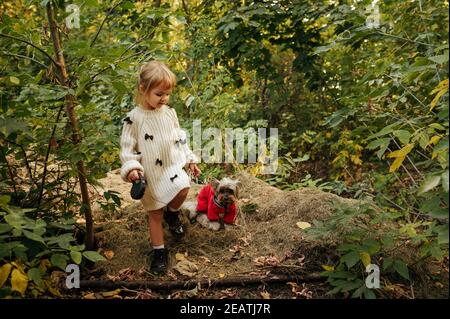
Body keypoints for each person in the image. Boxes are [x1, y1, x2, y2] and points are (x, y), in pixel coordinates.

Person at [119, 60, 201, 274]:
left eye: (167, 94)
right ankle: (159, 251)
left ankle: (172, 213)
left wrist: (190, 159)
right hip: (151, 173)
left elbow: (180, 137)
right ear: (142, 89)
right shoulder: (133, 119)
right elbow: (127, 150)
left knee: (184, 187)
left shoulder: (169, 113)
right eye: (158, 94)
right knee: (154, 213)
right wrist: (132, 168)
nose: (164, 98)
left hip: (172, 166)